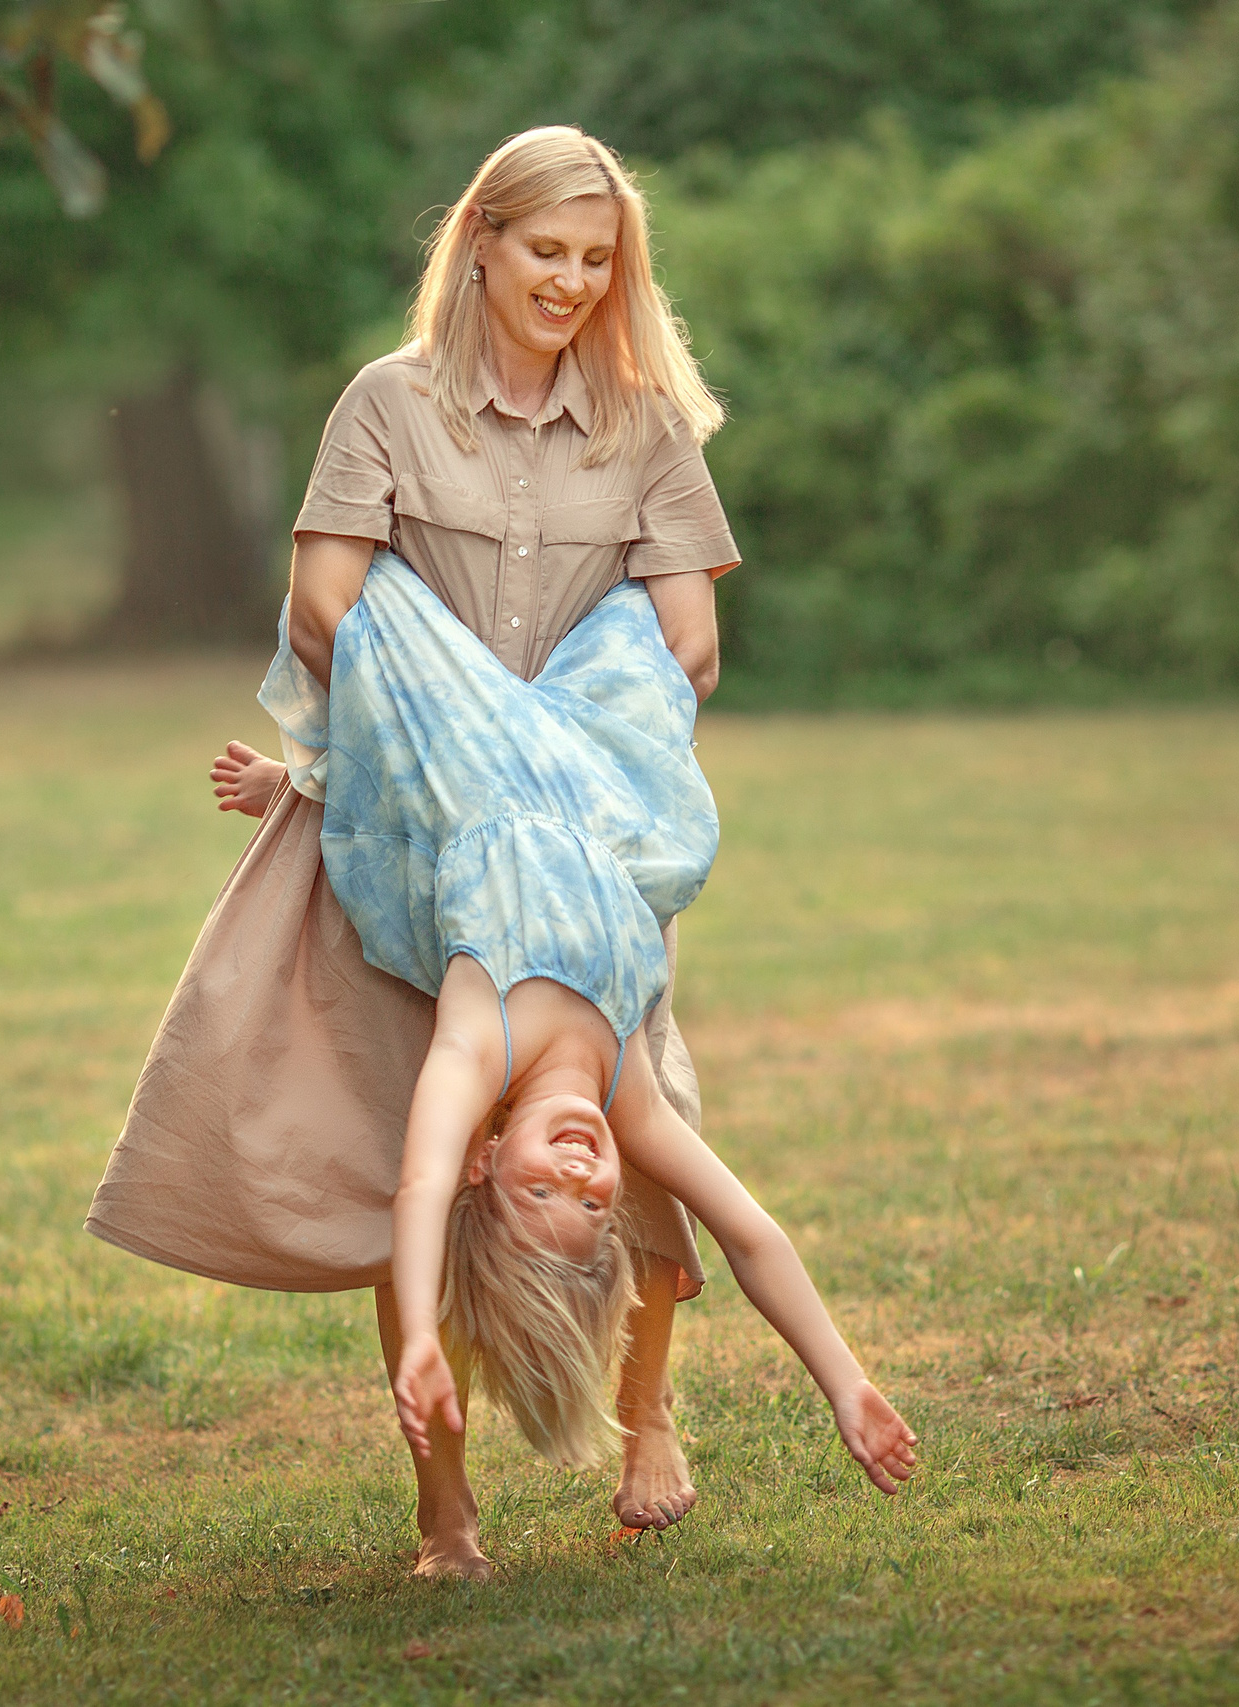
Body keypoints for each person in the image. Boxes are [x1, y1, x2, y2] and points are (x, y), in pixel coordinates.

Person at [85, 124, 740, 1577]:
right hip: (408, 842)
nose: (570, 281)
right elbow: (331, 607)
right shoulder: (385, 405)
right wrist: (449, 742)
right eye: (545, 252)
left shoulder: (645, 425)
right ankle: (445, 1506)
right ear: (484, 245)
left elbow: (683, 642)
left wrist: (514, 744)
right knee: (415, 1168)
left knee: (652, 1134)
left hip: (583, 846)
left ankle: (649, 1411)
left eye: (596, 258)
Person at [267, 544, 920, 1546]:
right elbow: (749, 1235)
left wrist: (416, 1346)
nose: (578, 1169)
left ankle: (313, 766)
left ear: (488, 1162)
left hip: (463, 747)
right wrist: (844, 1380)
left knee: (363, 598)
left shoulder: (474, 1050)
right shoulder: (628, 1099)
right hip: (599, 760)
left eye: (539, 1192)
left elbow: (417, 1192)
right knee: (651, 611)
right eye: (593, 1202)